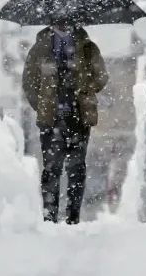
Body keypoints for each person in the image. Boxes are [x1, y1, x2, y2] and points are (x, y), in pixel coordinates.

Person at [22, 22, 108, 224]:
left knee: (77, 169)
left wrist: (86, 88)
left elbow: (102, 77)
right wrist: (43, 104)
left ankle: (72, 217)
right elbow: (29, 83)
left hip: (78, 117)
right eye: (58, 18)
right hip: (51, 120)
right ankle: (49, 217)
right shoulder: (40, 48)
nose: (63, 21)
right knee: (51, 170)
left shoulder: (88, 47)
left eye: (67, 17)